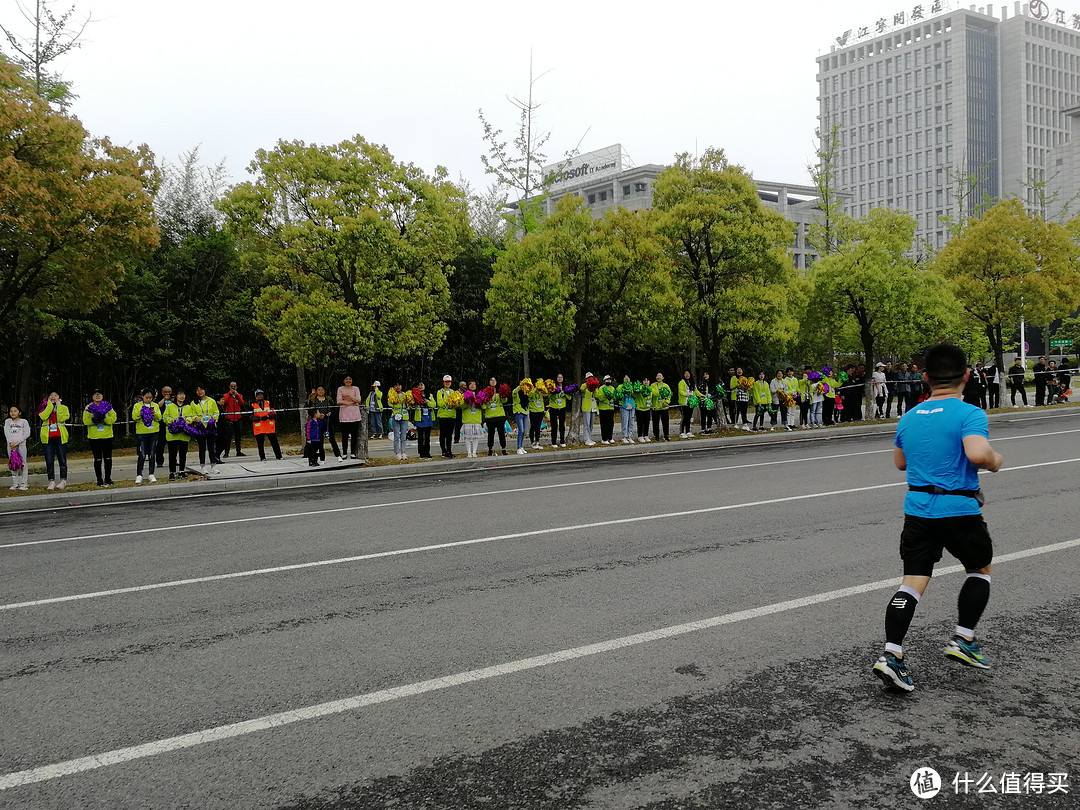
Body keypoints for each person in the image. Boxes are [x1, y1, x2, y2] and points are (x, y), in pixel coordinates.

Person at [872, 343, 1004, 692]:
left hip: (918, 510)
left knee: (912, 581)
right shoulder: (969, 413)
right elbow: (977, 453)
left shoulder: (909, 416)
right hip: (959, 509)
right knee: (980, 570)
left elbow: (901, 463)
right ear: (966, 376)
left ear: (926, 377)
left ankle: (892, 654)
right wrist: (995, 460)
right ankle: (963, 639)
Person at [82, 389, 117, 487]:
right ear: (92, 397)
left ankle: (108, 478)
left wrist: (104, 417)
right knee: (97, 459)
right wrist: (95, 419)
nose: (97, 396)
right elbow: (85, 421)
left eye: (99, 394)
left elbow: (113, 419)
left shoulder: (107, 406)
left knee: (108, 458)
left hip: (107, 436)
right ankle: (99, 479)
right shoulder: (88, 407)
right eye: (95, 394)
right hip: (94, 438)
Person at [38, 391, 70, 491]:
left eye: (55, 395)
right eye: (51, 395)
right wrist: (49, 406)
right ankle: (51, 481)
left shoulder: (64, 408)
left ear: (59, 397)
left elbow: (62, 418)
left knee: (62, 459)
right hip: (48, 438)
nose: (53, 397)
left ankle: (63, 480)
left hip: (60, 437)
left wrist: (59, 406)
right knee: (49, 460)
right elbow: (43, 416)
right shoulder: (44, 407)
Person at [131, 388, 162, 484]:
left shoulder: (155, 405)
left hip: (153, 432)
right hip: (142, 432)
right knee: (142, 454)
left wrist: (154, 413)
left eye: (150, 397)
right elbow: (134, 417)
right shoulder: (137, 406)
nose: (148, 399)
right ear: (142, 397)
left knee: (152, 454)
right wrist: (141, 413)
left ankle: (151, 473)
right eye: (146, 397)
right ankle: (139, 474)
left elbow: (159, 417)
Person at [189, 384, 221, 474]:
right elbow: (192, 413)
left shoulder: (211, 401)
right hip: (200, 427)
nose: (200, 392)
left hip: (210, 426)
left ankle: (213, 466)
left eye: (201, 389)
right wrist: (195, 418)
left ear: (205, 390)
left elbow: (216, 411)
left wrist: (214, 419)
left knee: (211, 447)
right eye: (198, 390)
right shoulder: (193, 402)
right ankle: (202, 466)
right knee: (202, 447)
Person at [307, 386, 343, 461]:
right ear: (316, 391)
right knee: (320, 440)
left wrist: (330, 413)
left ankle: (338, 455)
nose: (321, 391)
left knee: (332, 439)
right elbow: (310, 411)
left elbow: (334, 410)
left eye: (322, 390)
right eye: (319, 390)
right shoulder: (313, 400)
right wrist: (317, 416)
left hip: (327, 421)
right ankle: (322, 458)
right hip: (318, 423)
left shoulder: (329, 399)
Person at [163, 389, 190, 480]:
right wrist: (171, 421)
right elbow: (165, 417)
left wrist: (189, 421)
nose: (182, 396)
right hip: (173, 435)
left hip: (184, 434)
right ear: (176, 396)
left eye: (183, 394)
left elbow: (192, 416)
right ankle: (172, 472)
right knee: (172, 454)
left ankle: (182, 471)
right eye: (180, 394)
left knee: (183, 453)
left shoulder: (188, 407)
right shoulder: (170, 407)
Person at [251, 389, 283, 461]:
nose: (260, 396)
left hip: (269, 426)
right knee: (260, 444)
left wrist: (268, 416)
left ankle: (279, 456)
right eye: (258, 395)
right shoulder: (252, 404)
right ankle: (262, 457)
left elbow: (274, 413)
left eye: (261, 394)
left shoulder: (268, 403)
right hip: (259, 427)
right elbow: (250, 416)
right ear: (256, 396)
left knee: (274, 442)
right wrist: (259, 418)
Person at [217, 381, 246, 458]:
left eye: (234, 386)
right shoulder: (226, 395)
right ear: (229, 387)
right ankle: (226, 452)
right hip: (229, 419)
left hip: (237, 418)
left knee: (238, 436)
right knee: (228, 437)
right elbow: (224, 402)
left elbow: (242, 402)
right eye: (231, 386)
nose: (233, 388)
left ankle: (238, 451)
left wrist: (237, 396)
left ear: (236, 387)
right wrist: (230, 394)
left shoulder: (239, 395)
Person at [5, 405, 30, 491]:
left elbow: (27, 433)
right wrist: (10, 442)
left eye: (15, 411)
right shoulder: (8, 422)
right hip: (11, 446)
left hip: (21, 444)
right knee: (13, 463)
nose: (13, 413)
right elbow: (7, 432)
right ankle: (15, 483)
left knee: (23, 463)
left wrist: (19, 441)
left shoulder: (24, 422)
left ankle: (24, 483)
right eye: (11, 411)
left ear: (19, 412)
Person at [337, 376, 363, 458]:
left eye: (350, 379)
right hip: (344, 414)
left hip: (355, 414)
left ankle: (353, 453)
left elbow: (358, 400)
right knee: (344, 435)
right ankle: (344, 453)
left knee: (354, 435)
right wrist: (352, 402)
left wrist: (348, 395)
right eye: (346, 379)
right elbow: (339, 401)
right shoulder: (340, 389)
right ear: (343, 380)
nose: (348, 381)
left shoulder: (356, 388)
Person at [459, 381, 485, 458]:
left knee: (475, 437)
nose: (473, 386)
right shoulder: (464, 394)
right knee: (468, 436)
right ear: (468, 386)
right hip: (467, 418)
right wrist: (467, 402)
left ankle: (474, 452)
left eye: (474, 384)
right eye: (471, 384)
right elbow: (461, 406)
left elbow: (483, 407)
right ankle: (469, 452)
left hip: (476, 418)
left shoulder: (480, 394)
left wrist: (480, 403)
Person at [484, 378, 508, 456]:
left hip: (500, 416)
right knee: (491, 434)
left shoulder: (499, 393)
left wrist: (504, 394)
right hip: (490, 417)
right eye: (491, 380)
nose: (493, 381)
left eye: (494, 380)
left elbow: (504, 401)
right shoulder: (485, 393)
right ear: (489, 382)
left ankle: (503, 448)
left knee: (501, 433)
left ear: (496, 382)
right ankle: (490, 449)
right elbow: (483, 405)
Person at [435, 375, 457, 459]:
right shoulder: (440, 392)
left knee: (449, 435)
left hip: (451, 416)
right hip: (443, 415)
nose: (447, 383)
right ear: (443, 383)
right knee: (443, 434)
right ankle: (443, 451)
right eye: (446, 382)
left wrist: (452, 402)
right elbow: (440, 403)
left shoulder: (453, 392)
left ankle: (449, 450)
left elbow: (457, 402)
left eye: (449, 382)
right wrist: (450, 402)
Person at [411, 382, 434, 460]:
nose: (420, 386)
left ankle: (427, 452)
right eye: (418, 385)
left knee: (427, 437)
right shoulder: (415, 395)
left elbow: (434, 404)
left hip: (428, 418)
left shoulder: (429, 395)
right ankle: (421, 453)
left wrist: (428, 402)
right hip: (420, 418)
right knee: (420, 437)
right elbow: (412, 404)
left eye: (422, 385)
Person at [388, 382, 410, 461]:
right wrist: (392, 398)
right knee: (396, 436)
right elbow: (390, 404)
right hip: (395, 417)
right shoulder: (391, 395)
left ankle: (403, 452)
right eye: (396, 385)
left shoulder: (405, 395)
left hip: (404, 417)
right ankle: (397, 452)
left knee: (403, 436)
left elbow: (409, 404)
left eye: (399, 385)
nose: (398, 387)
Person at [155, 386, 173, 467]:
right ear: (162, 392)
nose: (167, 394)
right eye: (165, 392)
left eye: (169, 392)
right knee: (160, 444)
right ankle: (159, 461)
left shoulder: (173, 399)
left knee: (172, 444)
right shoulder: (159, 399)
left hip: (171, 424)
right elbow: (157, 405)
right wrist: (164, 399)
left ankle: (173, 460)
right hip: (161, 425)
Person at [548, 374, 568, 448]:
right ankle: (553, 442)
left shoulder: (565, 387)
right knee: (554, 425)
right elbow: (549, 396)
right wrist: (554, 393)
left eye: (561, 377)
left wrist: (564, 394)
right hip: (553, 408)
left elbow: (569, 397)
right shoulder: (552, 386)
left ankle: (562, 441)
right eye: (558, 377)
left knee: (562, 425)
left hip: (562, 408)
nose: (560, 379)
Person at [527, 378, 547, 450]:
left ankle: (537, 441)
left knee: (538, 427)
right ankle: (532, 442)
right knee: (533, 426)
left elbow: (546, 393)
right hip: (533, 411)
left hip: (540, 411)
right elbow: (530, 396)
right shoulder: (531, 391)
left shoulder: (541, 392)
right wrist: (536, 389)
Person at [651, 373, 671, 441]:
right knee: (655, 423)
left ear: (663, 378)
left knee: (665, 422)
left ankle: (666, 435)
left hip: (664, 407)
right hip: (656, 407)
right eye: (657, 376)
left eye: (660, 376)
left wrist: (666, 402)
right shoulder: (653, 385)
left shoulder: (666, 386)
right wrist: (651, 404)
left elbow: (669, 395)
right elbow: (651, 395)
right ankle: (656, 436)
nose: (658, 377)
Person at [596, 375, 616, 444]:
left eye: (610, 380)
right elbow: (599, 398)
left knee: (611, 423)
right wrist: (605, 394)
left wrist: (612, 396)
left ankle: (610, 437)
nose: (609, 381)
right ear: (604, 381)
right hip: (603, 408)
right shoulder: (601, 388)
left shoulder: (612, 388)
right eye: (607, 380)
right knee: (604, 424)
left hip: (611, 408)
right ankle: (604, 439)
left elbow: (615, 398)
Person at [617, 374, 636, 444]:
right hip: (624, 406)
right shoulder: (620, 386)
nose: (626, 379)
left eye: (628, 378)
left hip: (632, 406)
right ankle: (624, 436)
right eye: (625, 378)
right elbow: (618, 396)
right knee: (625, 421)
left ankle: (629, 436)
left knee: (631, 421)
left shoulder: (632, 386)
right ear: (623, 379)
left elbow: (635, 395)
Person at [580, 373, 598, 446]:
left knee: (591, 424)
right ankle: (586, 439)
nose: (590, 379)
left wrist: (594, 388)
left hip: (593, 407)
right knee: (586, 424)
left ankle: (589, 437)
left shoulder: (594, 386)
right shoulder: (584, 385)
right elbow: (581, 389)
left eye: (591, 377)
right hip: (586, 407)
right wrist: (588, 384)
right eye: (589, 378)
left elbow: (597, 395)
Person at [677, 371, 695, 438]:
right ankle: (682, 432)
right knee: (684, 417)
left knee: (689, 417)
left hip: (691, 403)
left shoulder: (692, 382)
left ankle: (688, 431)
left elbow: (695, 391)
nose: (687, 375)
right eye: (685, 373)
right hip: (683, 403)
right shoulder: (682, 382)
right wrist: (687, 395)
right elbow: (681, 391)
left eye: (688, 373)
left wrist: (702, 396)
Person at [634, 376, 652, 443]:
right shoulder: (640, 388)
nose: (646, 382)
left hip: (647, 408)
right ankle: (640, 436)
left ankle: (646, 435)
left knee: (647, 423)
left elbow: (651, 398)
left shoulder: (650, 389)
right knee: (640, 423)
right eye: (644, 380)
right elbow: (635, 395)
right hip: (640, 408)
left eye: (647, 380)